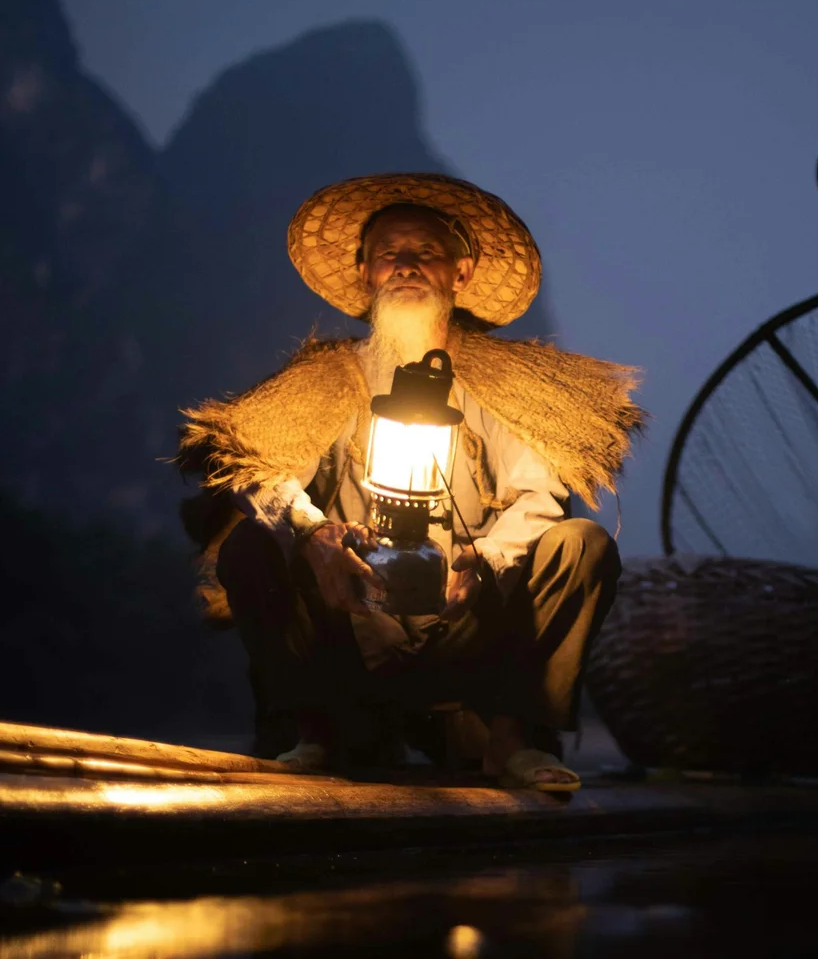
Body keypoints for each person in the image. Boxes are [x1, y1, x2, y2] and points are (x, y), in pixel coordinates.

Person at [176, 174, 645, 791]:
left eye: (425, 253)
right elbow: (267, 478)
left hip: (464, 613)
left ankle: (510, 742)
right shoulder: (326, 380)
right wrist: (317, 537)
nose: (405, 267)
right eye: (388, 255)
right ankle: (315, 732)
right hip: (353, 613)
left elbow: (538, 493)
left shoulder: (507, 386)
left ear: (461, 272)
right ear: (367, 272)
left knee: (582, 543)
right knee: (248, 545)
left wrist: (485, 558)